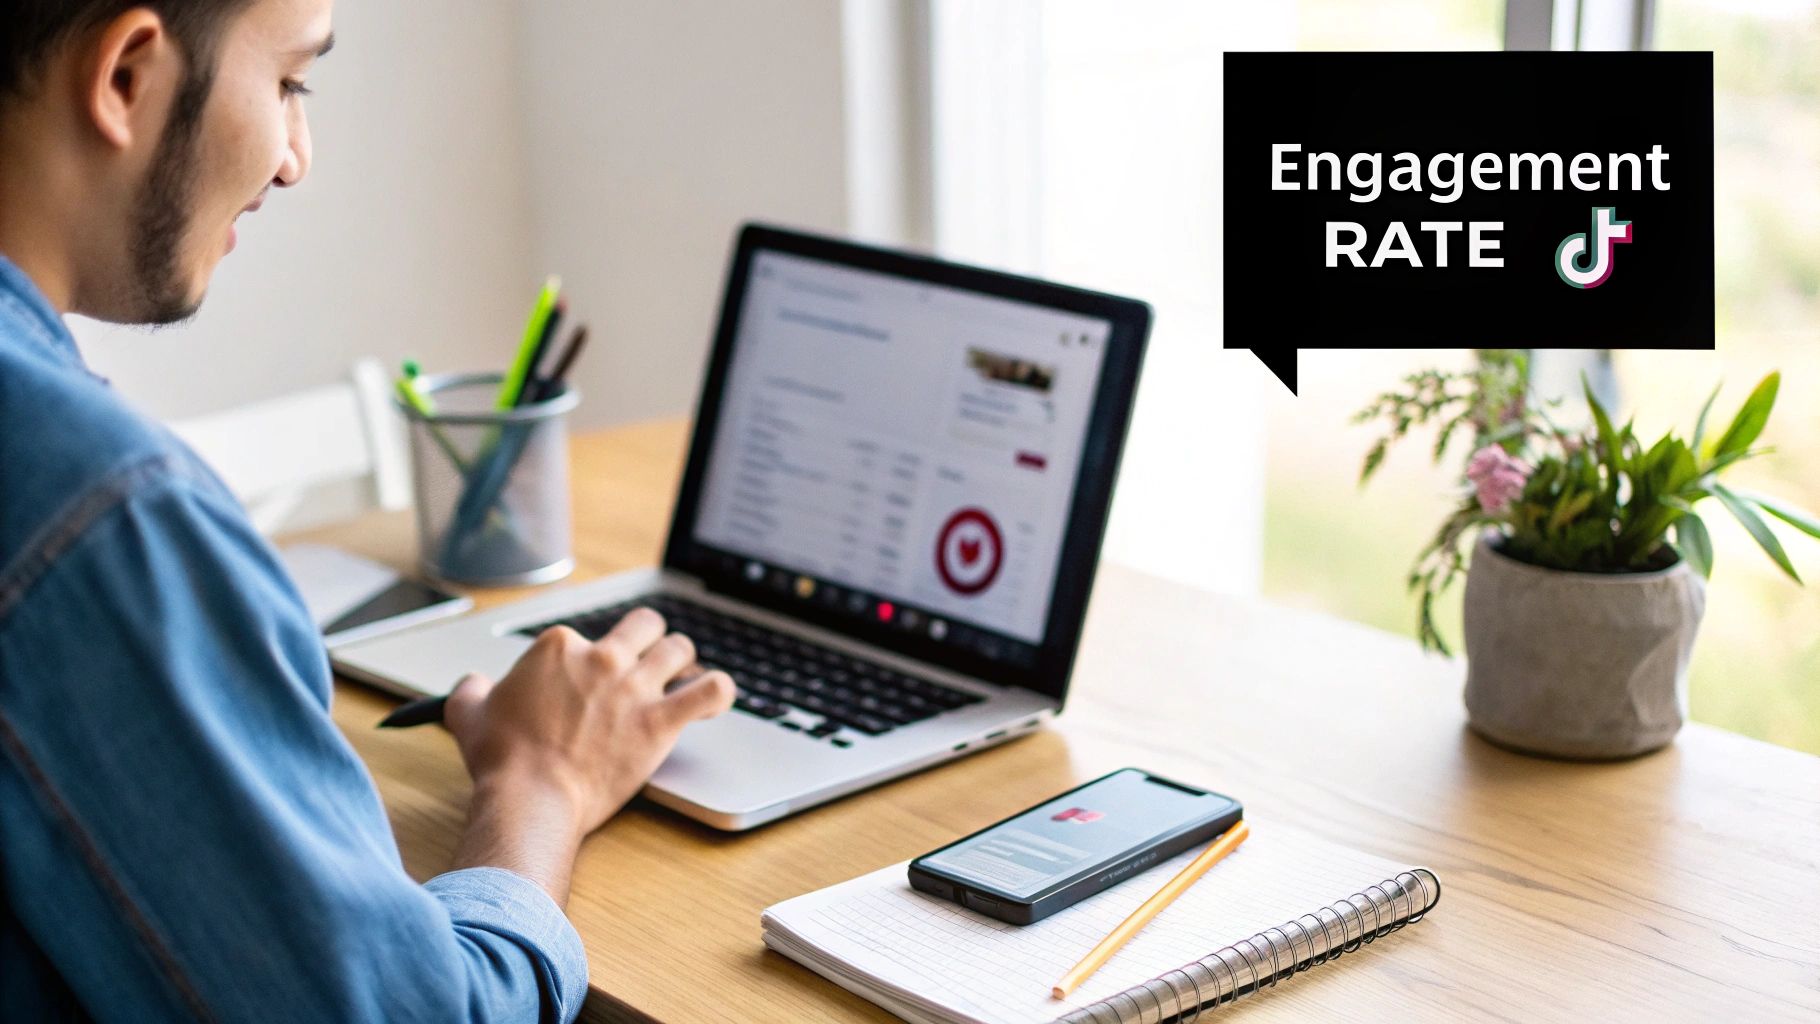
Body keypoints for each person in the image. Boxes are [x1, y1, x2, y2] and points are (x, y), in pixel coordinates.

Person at [0, 2, 735, 1020]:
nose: (296, 157)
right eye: (291, 83)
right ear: (126, 74)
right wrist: (542, 785)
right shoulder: (93, 509)